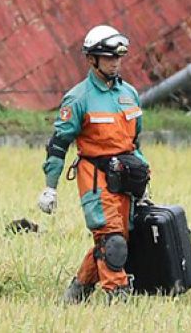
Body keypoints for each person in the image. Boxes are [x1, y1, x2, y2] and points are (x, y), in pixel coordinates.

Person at [37, 24, 150, 303]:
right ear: (92, 59)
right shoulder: (78, 98)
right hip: (96, 181)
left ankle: (76, 293)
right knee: (112, 242)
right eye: (109, 58)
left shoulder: (129, 94)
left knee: (115, 240)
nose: (115, 63)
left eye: (118, 58)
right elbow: (58, 145)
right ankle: (119, 297)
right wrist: (50, 188)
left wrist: (144, 182)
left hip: (127, 180)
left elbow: (135, 143)